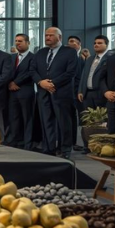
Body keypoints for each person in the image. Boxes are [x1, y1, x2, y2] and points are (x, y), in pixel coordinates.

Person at [33, 27, 78, 157]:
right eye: (46, 35)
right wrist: (41, 83)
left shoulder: (69, 52)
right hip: (43, 93)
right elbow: (32, 70)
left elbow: (71, 72)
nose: (47, 37)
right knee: (46, 121)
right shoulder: (41, 52)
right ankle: (49, 148)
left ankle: (65, 149)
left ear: (59, 37)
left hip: (61, 93)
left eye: (51, 35)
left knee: (64, 122)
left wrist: (52, 83)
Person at [6, 34, 35, 150]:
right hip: (12, 93)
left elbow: (30, 72)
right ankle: (15, 141)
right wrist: (10, 83)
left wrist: (16, 82)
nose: (18, 43)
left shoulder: (33, 57)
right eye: (16, 41)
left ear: (28, 43)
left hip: (26, 92)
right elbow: (7, 72)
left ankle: (28, 143)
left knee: (27, 118)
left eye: (21, 41)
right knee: (14, 118)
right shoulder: (11, 57)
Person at [77, 35, 110, 110]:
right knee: (89, 119)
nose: (96, 45)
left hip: (102, 93)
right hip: (87, 94)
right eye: (95, 43)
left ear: (106, 45)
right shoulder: (90, 59)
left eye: (99, 43)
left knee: (102, 120)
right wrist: (80, 90)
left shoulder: (110, 58)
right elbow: (84, 75)